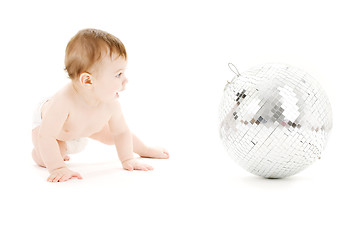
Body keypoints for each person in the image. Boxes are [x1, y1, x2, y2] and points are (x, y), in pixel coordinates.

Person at [32, 29, 169, 182]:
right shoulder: (62, 102)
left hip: (84, 125)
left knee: (113, 136)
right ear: (88, 81)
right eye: (118, 74)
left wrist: (127, 159)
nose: (125, 80)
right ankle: (40, 154)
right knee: (50, 155)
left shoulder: (110, 104)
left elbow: (122, 132)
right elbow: (46, 136)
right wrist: (57, 167)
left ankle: (144, 149)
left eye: (123, 73)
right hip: (52, 130)